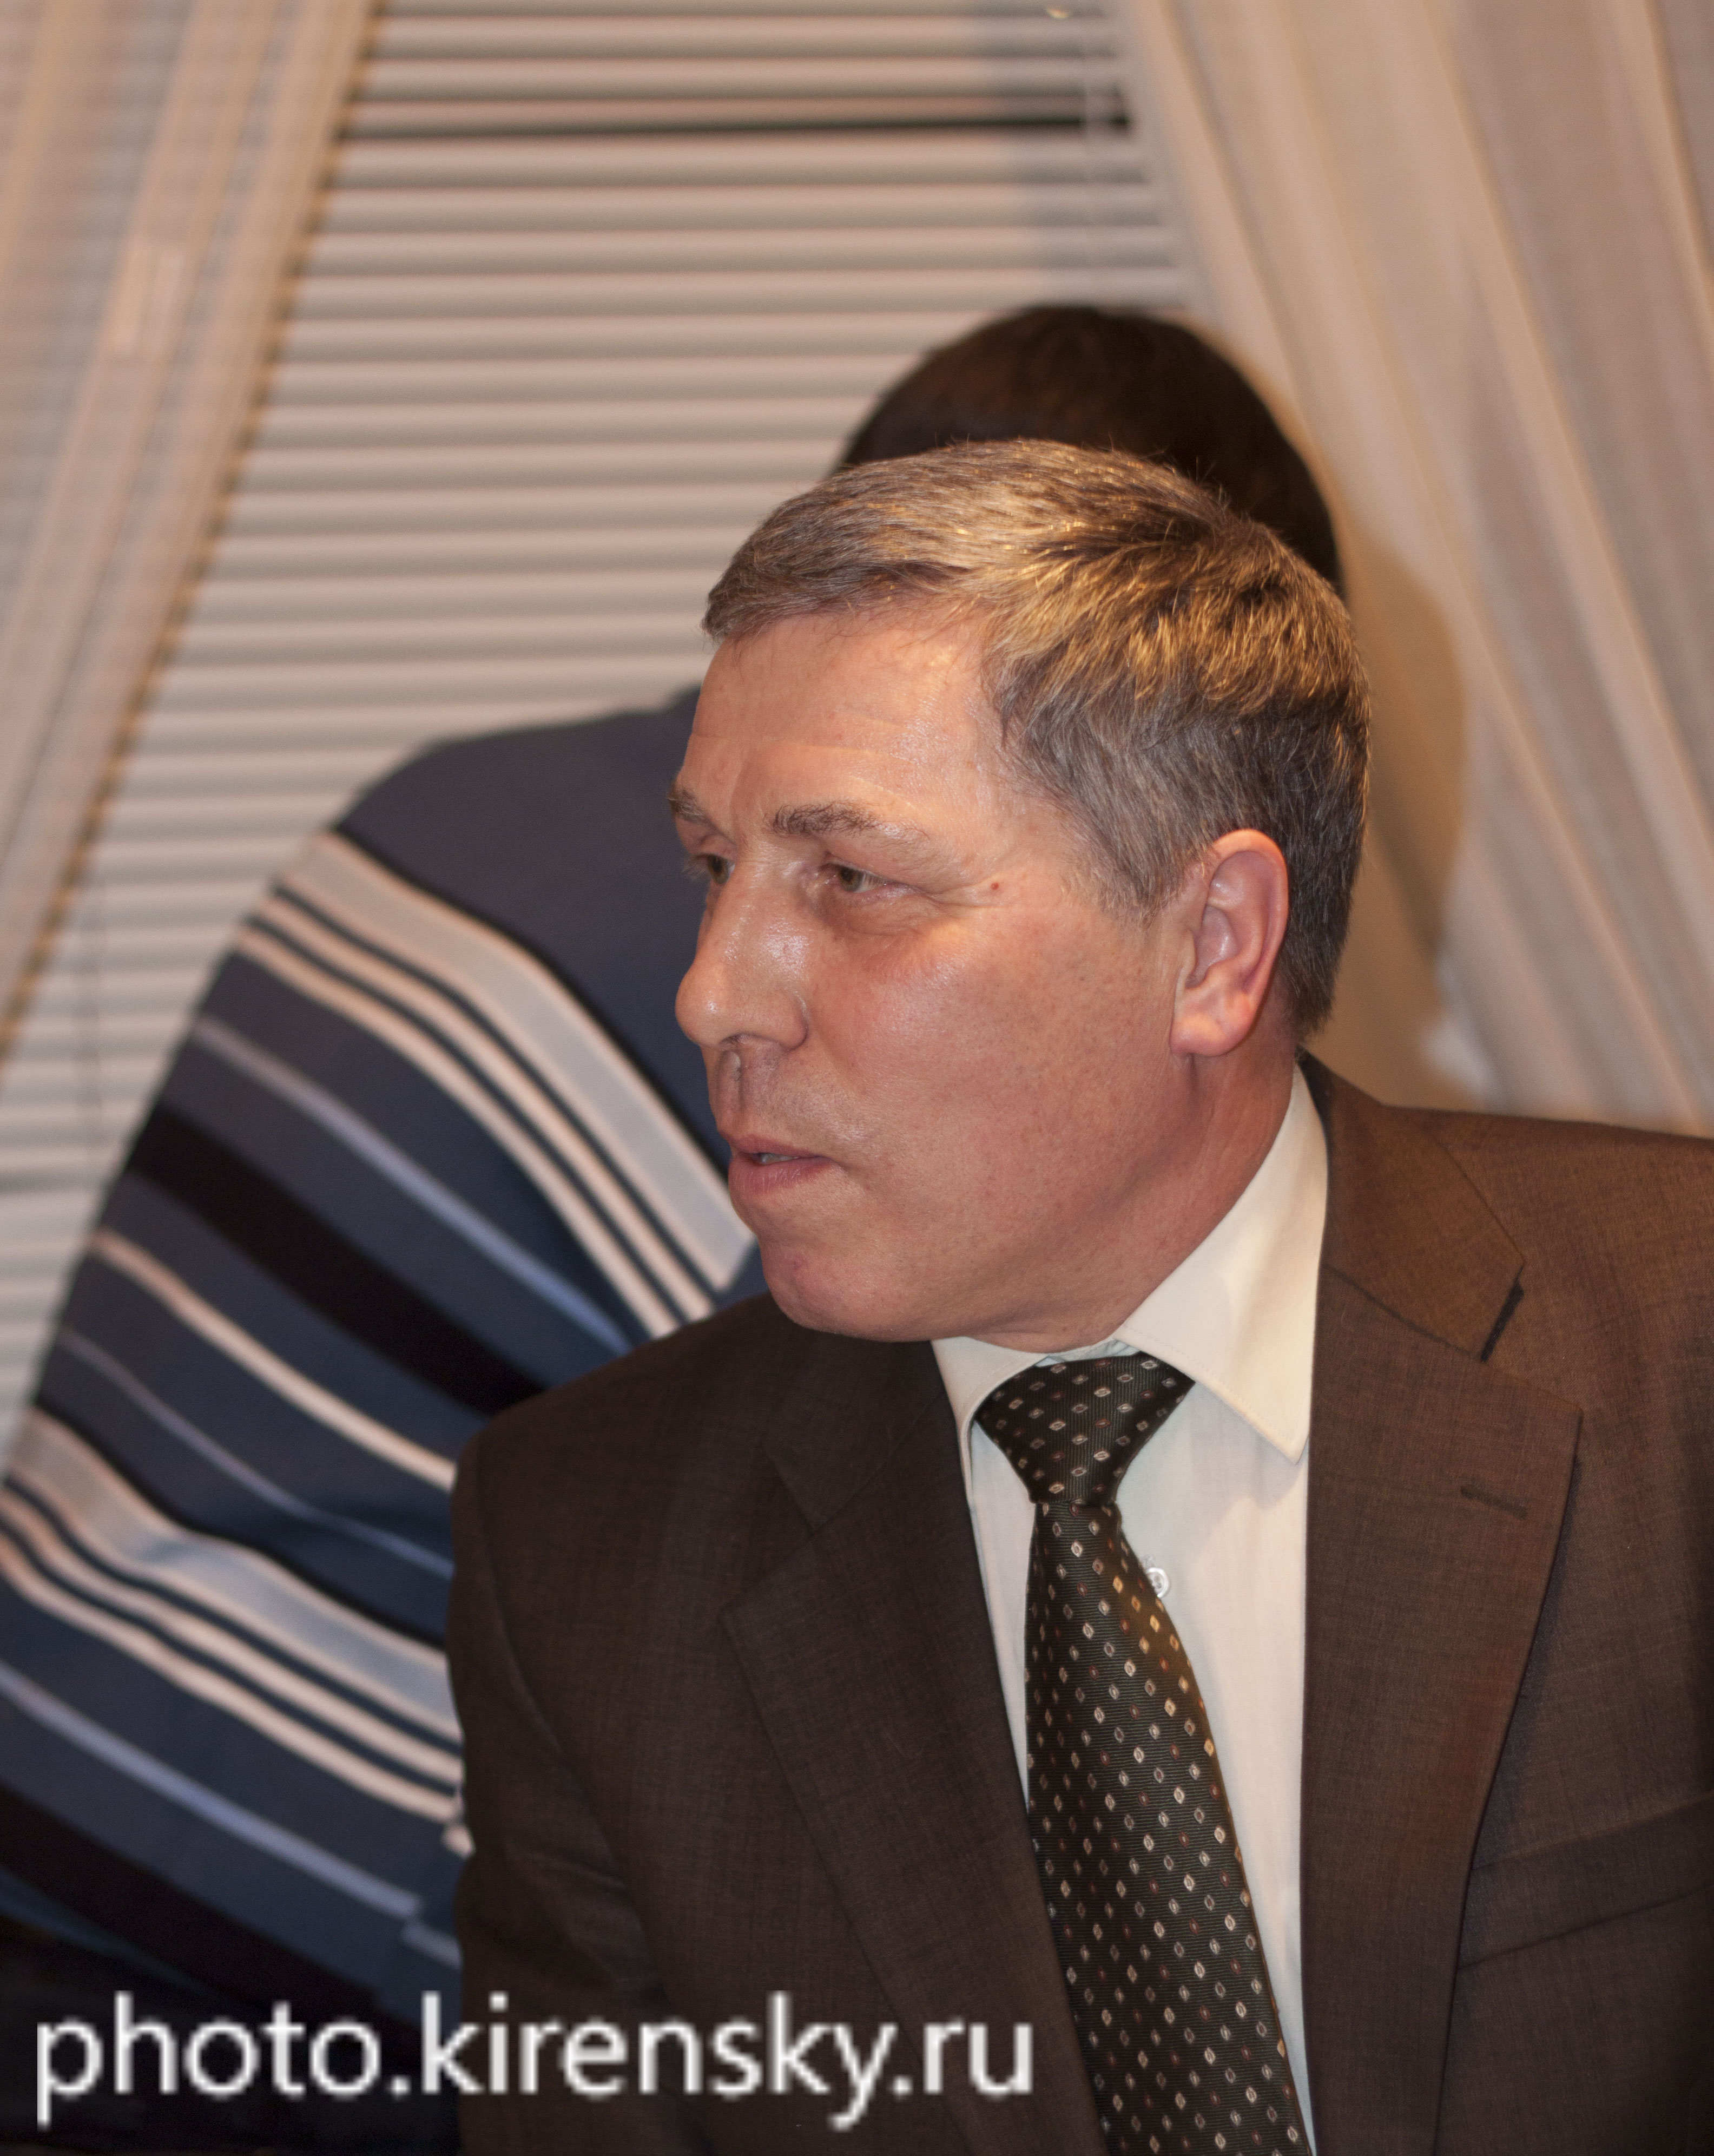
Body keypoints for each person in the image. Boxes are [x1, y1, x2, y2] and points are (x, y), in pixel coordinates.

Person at [0, 310, 1342, 2145]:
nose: (729, 981)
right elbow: (860, 1609)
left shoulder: (463, 796)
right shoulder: (825, 1005)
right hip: (279, 1968)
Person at [450, 442, 1713, 2156]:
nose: (714, 993)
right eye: (712, 868)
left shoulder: (1676, 1355)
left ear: (1214, 946)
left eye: (851, 881)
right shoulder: (589, 1554)